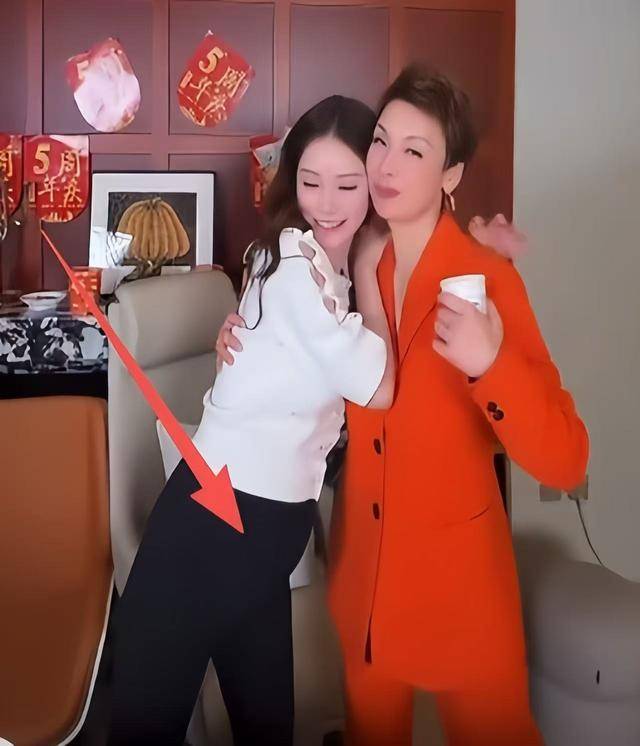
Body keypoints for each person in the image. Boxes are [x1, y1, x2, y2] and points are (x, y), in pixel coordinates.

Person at [219, 66, 588, 746]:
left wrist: (490, 365)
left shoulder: (488, 280)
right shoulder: (345, 265)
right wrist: (244, 339)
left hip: (461, 596)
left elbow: (567, 461)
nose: (386, 165)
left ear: (451, 175)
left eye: (414, 151)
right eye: (381, 141)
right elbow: (299, 368)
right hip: (364, 588)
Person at [107, 95, 395, 746]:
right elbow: (377, 388)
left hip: (250, 523)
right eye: (311, 182)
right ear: (291, 182)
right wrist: (371, 269)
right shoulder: (294, 265)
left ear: (372, 183)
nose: (327, 204)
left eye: (347, 184)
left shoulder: (312, 264)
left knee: (257, 723)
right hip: (222, 525)